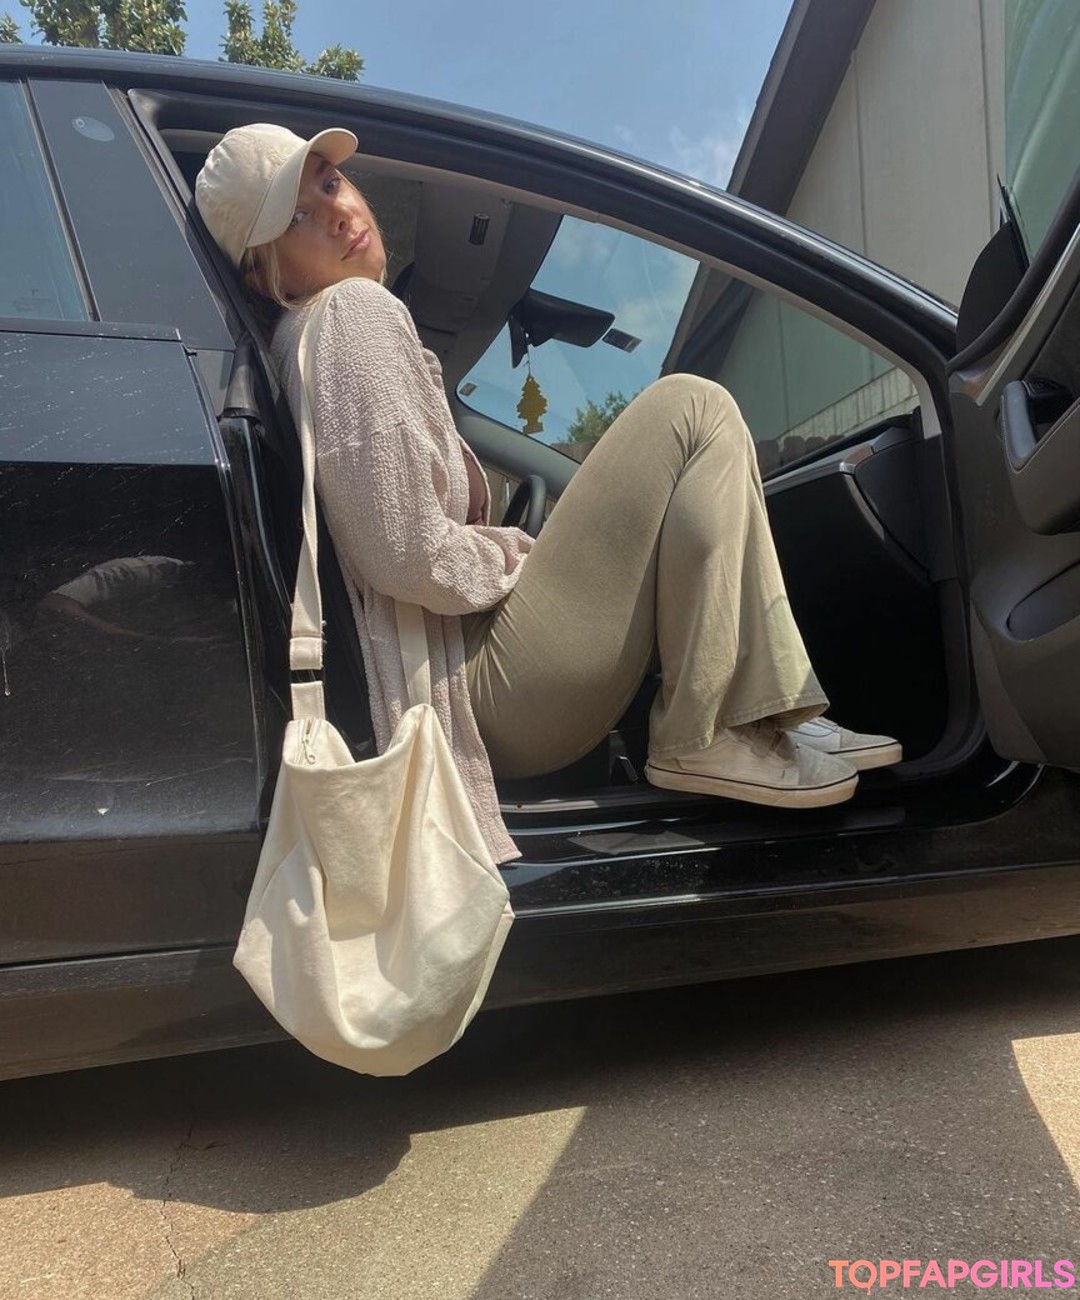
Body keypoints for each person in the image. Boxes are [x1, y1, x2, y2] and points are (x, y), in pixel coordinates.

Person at [195, 124, 901, 865]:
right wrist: (517, 554)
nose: (338, 213)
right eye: (298, 217)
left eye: (330, 182)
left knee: (684, 425)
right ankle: (713, 728)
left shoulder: (305, 340)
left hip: (472, 688)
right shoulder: (351, 315)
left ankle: (762, 710)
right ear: (262, 275)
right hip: (476, 697)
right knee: (691, 410)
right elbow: (405, 551)